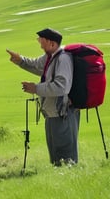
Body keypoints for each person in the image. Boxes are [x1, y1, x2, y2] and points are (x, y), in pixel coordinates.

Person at [6, 27, 80, 166]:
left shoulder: (63, 59)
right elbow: (36, 65)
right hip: (53, 112)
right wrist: (20, 60)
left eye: (42, 41)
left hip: (63, 112)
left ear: (52, 43)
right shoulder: (50, 57)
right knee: (55, 153)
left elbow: (61, 86)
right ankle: (59, 178)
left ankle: (67, 180)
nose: (40, 44)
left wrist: (36, 88)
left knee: (65, 155)